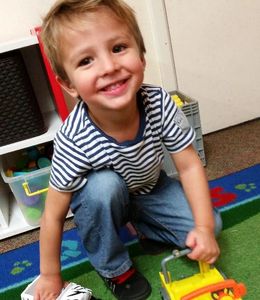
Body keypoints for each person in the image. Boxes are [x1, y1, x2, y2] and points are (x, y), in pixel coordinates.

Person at [34, 0, 222, 299]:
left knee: (211, 225)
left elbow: (188, 165)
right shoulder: (73, 139)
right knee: (104, 186)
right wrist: (49, 274)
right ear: (69, 84)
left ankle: (145, 226)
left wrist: (203, 227)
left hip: (150, 188)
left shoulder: (159, 102)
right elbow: (53, 215)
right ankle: (114, 267)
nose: (109, 67)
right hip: (102, 200)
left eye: (119, 47)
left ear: (142, 57)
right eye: (86, 61)